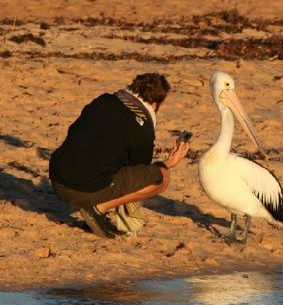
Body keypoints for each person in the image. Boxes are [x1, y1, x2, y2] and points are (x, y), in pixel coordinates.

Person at [49, 73, 190, 238]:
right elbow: (141, 171)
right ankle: (97, 209)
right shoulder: (142, 126)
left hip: (57, 180)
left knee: (102, 164)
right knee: (162, 177)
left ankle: (94, 206)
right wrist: (169, 162)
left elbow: (75, 132)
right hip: (83, 190)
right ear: (155, 105)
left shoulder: (103, 100)